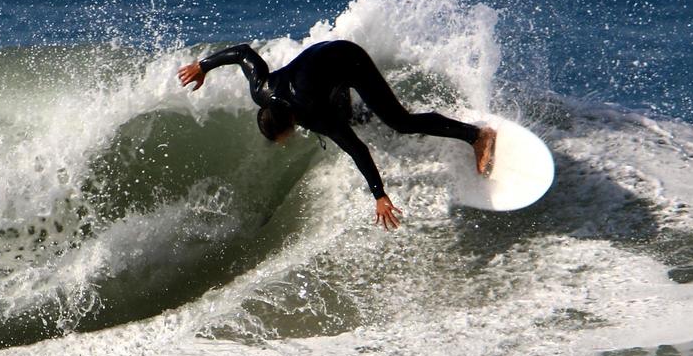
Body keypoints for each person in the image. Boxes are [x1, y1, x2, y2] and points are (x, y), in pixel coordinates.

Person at [177, 40, 495, 230]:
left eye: (284, 135)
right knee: (351, 115)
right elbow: (243, 53)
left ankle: (476, 136)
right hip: (320, 62)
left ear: (289, 121)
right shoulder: (262, 91)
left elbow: (356, 149)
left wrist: (379, 195)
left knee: (400, 122)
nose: (286, 141)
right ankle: (383, 108)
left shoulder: (311, 112)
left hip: (348, 60)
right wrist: (204, 65)